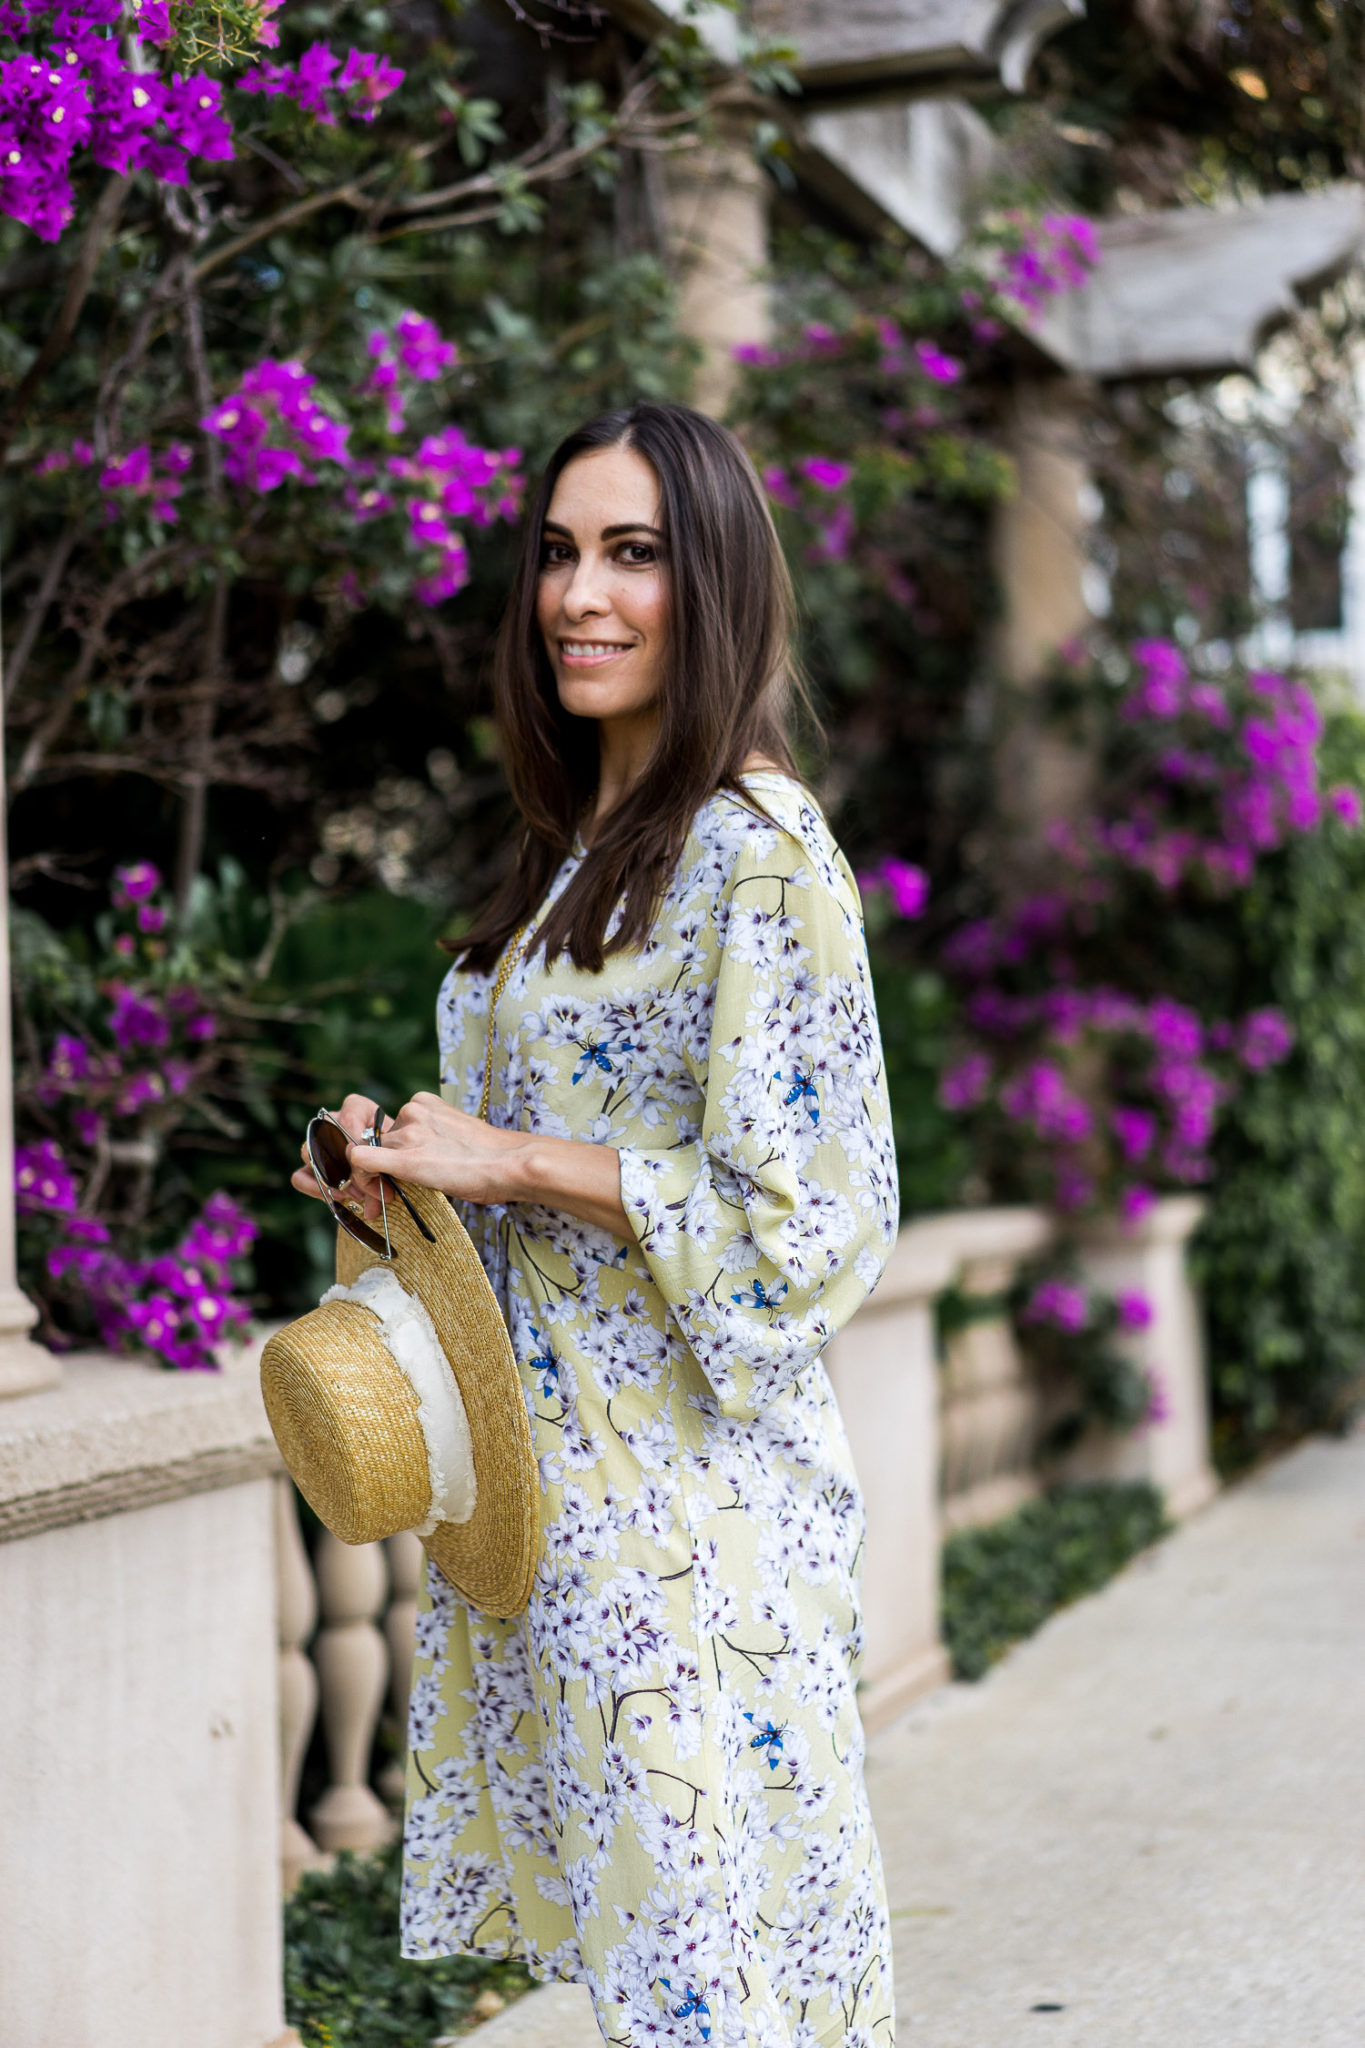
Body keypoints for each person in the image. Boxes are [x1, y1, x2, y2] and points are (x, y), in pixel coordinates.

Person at [292, 401, 899, 2047]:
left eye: (632, 553)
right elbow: (525, 1188)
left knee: (714, 1992)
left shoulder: (758, 853)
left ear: (715, 587)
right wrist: (403, 1178)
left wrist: (516, 1161)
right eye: (559, 552)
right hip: (558, 1504)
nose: (581, 593)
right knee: (660, 1989)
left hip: (690, 1519)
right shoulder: (569, 861)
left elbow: (820, 1222)